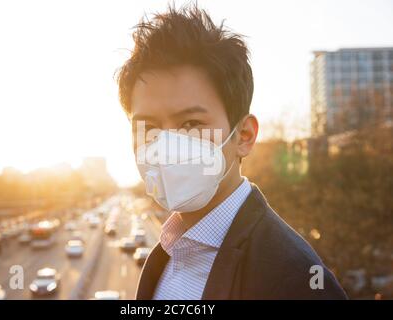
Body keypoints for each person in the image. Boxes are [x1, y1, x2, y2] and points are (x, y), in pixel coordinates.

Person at [116, 4, 347, 300]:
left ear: (244, 136)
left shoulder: (296, 278)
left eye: (190, 123)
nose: (165, 146)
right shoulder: (165, 254)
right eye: (148, 127)